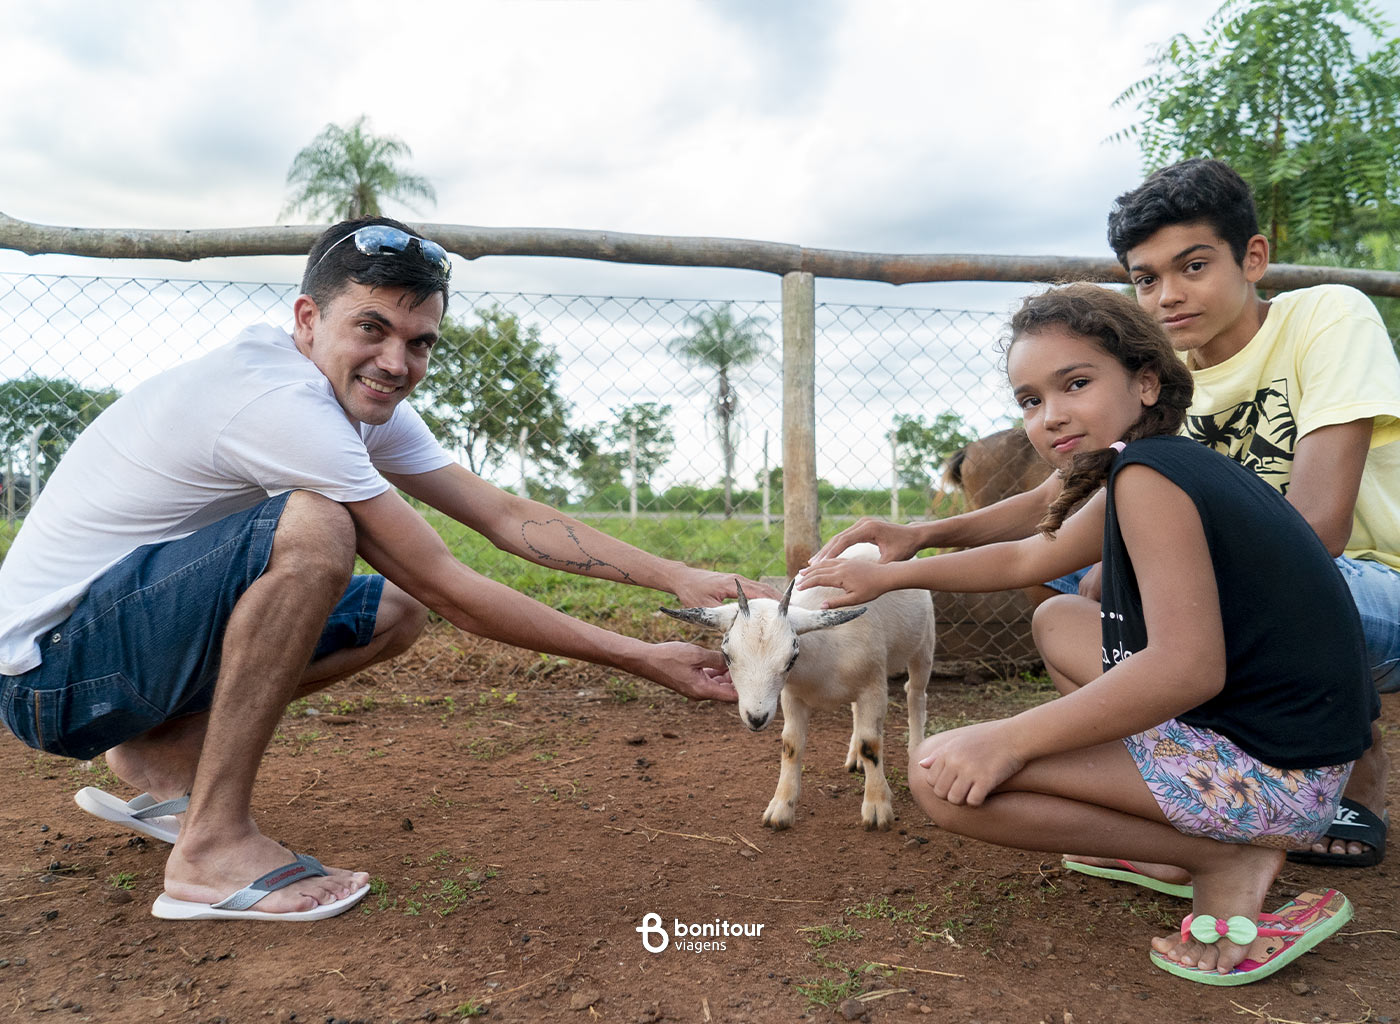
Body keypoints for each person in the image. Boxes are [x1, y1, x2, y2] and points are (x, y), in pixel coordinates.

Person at [0, 216, 776, 922]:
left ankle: (161, 756)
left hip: (112, 655)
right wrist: (639, 656)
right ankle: (210, 851)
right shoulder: (276, 398)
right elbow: (451, 584)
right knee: (317, 527)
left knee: (393, 608)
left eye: (419, 341)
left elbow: (503, 517)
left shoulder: (355, 402)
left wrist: (677, 576)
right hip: (51, 680)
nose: (395, 362)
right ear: (308, 319)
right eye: (371, 327)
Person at [817, 159, 1397, 866]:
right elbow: (1046, 525)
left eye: (1192, 266)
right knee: (1067, 599)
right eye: (1146, 278)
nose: (1168, 295)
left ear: (1253, 258)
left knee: (1123, 586)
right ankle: (1177, 778)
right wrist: (913, 546)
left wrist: (1138, 573)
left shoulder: (1325, 317)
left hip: (1360, 580)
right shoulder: (1162, 395)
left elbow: (1316, 537)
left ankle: (1334, 779)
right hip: (1240, 604)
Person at [801, 284, 1375, 985]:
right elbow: (1031, 556)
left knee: (938, 776)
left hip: (1276, 780)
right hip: (1289, 747)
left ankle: (1225, 857)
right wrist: (897, 567)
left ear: (1145, 380)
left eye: (1076, 383)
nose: (1052, 416)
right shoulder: (1153, 462)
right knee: (1061, 616)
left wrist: (1010, 736)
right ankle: (1171, 843)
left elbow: (1187, 670)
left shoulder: (1150, 477)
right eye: (1030, 400)